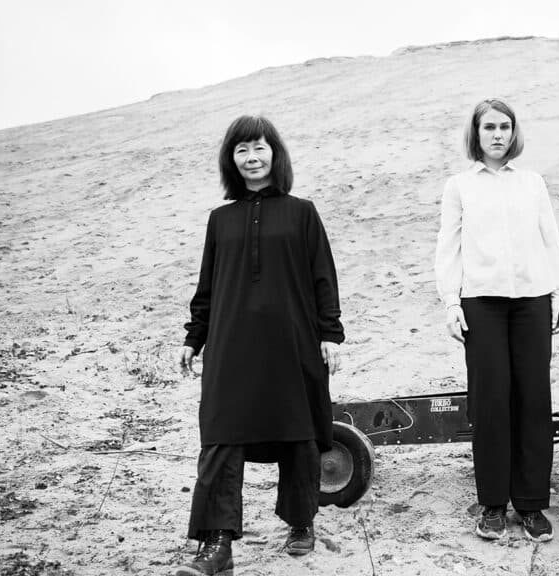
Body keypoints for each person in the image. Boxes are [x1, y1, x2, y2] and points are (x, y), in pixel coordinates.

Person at [174, 115, 344, 575]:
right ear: (232, 159)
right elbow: (207, 286)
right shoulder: (220, 220)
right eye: (241, 150)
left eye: (259, 148)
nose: (251, 158)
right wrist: (195, 337)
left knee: (298, 433)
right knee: (221, 437)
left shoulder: (302, 212)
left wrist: (330, 333)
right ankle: (217, 544)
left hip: (293, 343)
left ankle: (301, 522)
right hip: (231, 347)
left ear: (275, 154)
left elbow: (322, 277)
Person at [435, 99, 559, 542]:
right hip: (481, 305)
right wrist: (451, 303)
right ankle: (493, 504)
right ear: (476, 133)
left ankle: (530, 505)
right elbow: (448, 247)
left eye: (505, 127)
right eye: (489, 127)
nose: (497, 134)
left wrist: (557, 293)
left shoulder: (532, 183)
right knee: (491, 402)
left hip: (531, 301)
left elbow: (550, 237)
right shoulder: (460, 186)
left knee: (533, 400)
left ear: (514, 133)